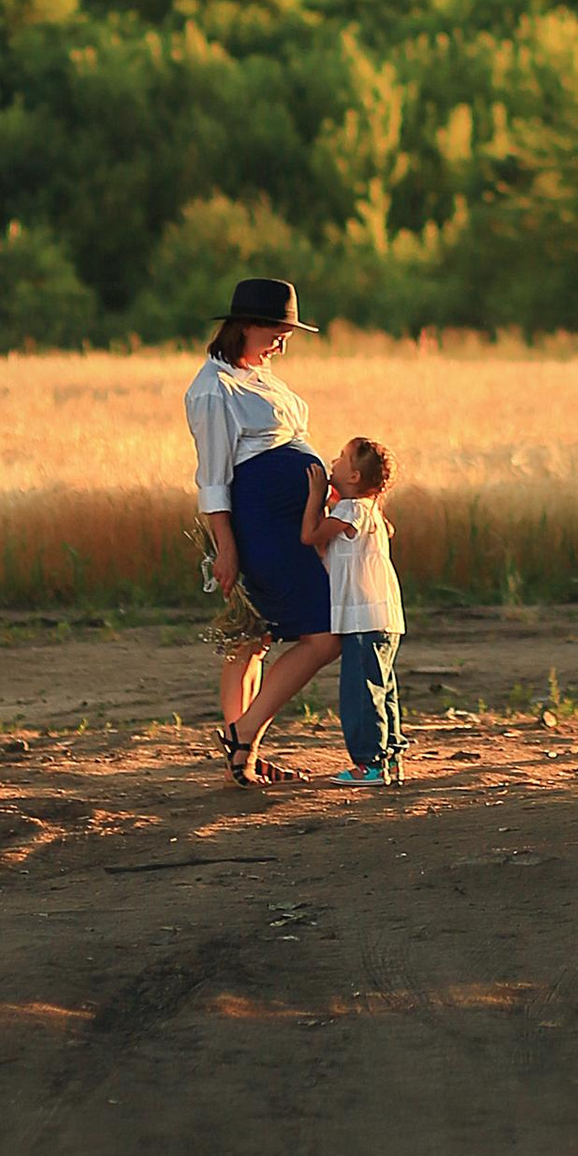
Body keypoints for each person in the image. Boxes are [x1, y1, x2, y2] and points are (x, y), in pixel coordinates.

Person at [184, 277, 340, 785]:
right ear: (246, 325)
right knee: (325, 634)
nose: (283, 340)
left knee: (255, 635)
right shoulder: (214, 388)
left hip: (293, 519)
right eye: (277, 329)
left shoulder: (265, 377)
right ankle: (244, 736)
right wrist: (226, 549)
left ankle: (241, 754)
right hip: (261, 522)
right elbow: (212, 478)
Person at [306, 437, 405, 788]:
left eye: (341, 459)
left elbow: (309, 536)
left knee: (359, 692)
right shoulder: (369, 510)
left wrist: (316, 494)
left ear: (354, 476)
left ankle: (368, 764)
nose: (332, 462)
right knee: (381, 687)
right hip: (384, 616)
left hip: (362, 618)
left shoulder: (350, 511)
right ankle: (390, 758)